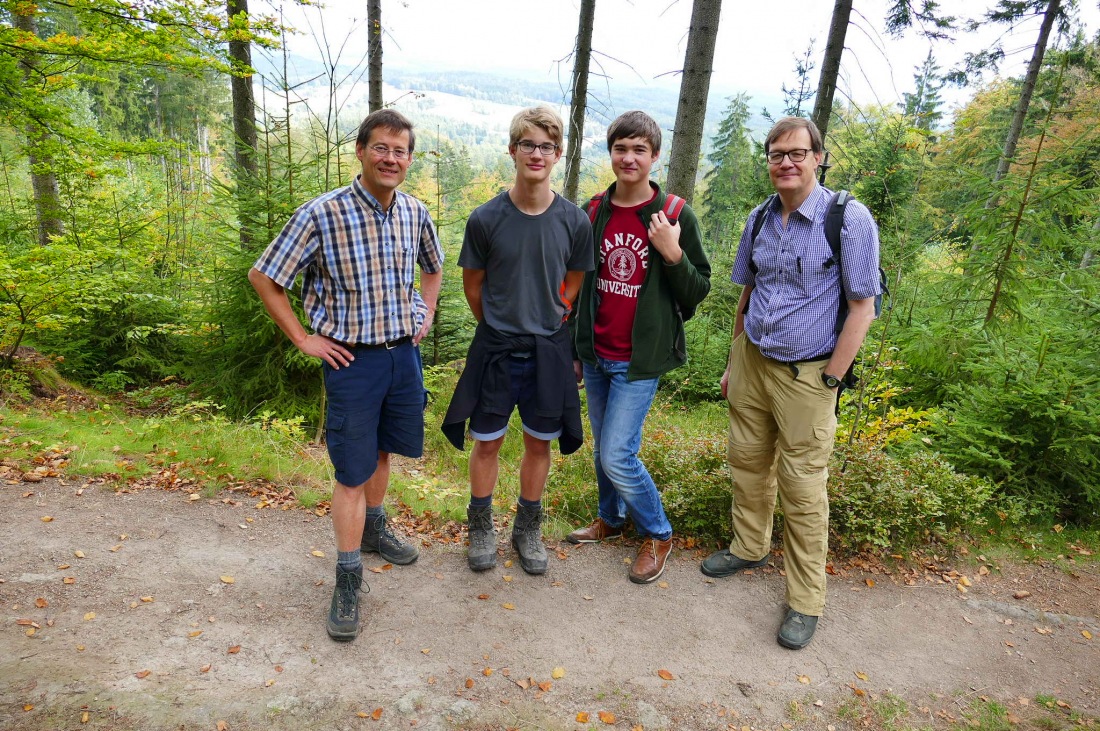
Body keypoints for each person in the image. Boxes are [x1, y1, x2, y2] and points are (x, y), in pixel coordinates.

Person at [248, 109, 443, 642]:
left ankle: (376, 530)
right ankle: (348, 576)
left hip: (402, 357)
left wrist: (424, 311)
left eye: (400, 151)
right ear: (360, 151)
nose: (391, 158)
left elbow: (434, 266)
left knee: (383, 452)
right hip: (351, 362)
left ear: (408, 158)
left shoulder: (413, 212)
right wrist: (303, 338)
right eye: (381, 148)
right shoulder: (320, 215)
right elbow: (264, 277)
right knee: (351, 471)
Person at [701, 117, 880, 650]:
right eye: (777, 154)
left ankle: (805, 601)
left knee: (803, 490)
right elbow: (748, 293)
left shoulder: (847, 219)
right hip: (754, 363)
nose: (786, 162)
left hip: (808, 375)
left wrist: (832, 379)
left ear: (818, 157)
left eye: (797, 153)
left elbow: (862, 307)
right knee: (748, 462)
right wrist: (736, 360)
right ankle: (749, 545)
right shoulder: (759, 219)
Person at [442, 106, 593, 575]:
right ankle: (481, 523)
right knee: (486, 442)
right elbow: (473, 286)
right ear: (513, 150)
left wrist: (549, 318)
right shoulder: (486, 219)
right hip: (497, 350)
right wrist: (502, 323)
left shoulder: (574, 221)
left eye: (547, 146)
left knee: (539, 444)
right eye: (528, 144)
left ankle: (527, 526)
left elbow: (573, 285)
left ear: (558, 154)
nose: (537, 153)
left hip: (548, 349)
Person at [568, 111, 711, 584]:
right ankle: (610, 518)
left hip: (638, 359)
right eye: (620, 148)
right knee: (602, 449)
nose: (629, 158)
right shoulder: (594, 211)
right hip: (595, 352)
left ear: (655, 155)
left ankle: (658, 532)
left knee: (618, 453)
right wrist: (576, 346)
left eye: (639, 150)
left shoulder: (673, 214)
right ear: (611, 153)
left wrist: (672, 254)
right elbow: (581, 285)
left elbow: (697, 290)